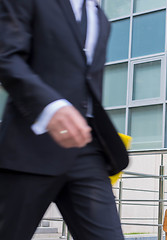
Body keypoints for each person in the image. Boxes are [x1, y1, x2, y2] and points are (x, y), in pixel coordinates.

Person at [0, 0, 129, 239]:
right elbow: (7, 56)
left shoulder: (101, 19)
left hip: (86, 149)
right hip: (29, 148)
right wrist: (50, 107)